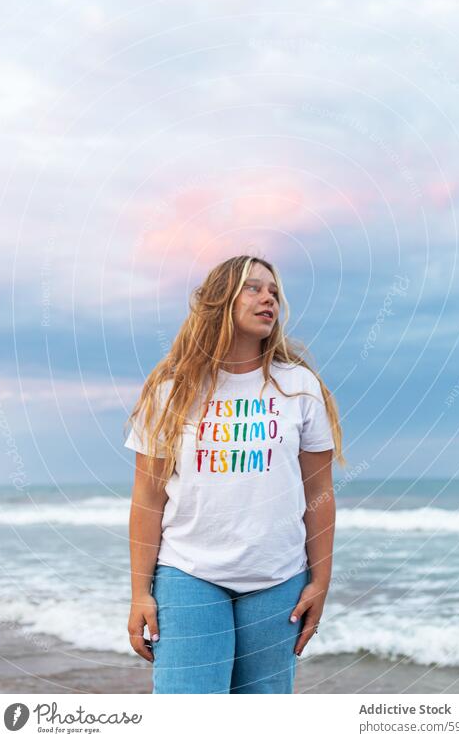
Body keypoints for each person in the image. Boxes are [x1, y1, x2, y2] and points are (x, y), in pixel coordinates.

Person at [124, 254, 346, 693]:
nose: (269, 298)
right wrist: (139, 592)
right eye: (254, 287)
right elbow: (148, 498)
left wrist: (320, 581)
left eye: (275, 292)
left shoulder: (299, 387)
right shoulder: (171, 390)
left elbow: (319, 491)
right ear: (220, 299)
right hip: (188, 573)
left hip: (278, 579)